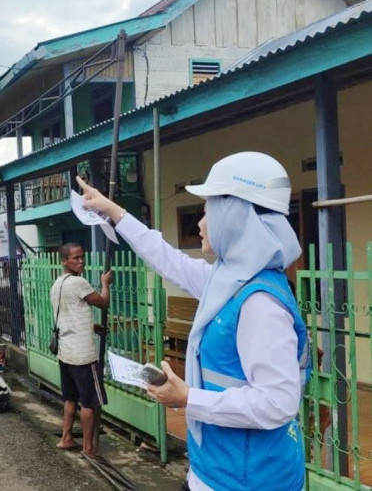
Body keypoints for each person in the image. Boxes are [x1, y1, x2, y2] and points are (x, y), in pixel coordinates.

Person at [77, 152, 311, 491]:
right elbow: (167, 258)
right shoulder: (230, 280)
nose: (200, 223)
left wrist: (187, 397)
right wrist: (112, 211)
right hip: (215, 467)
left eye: (207, 210)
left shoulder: (260, 302)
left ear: (234, 216)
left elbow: (277, 403)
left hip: (249, 480)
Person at [51, 243, 112, 456]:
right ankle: (88, 447)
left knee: (70, 398)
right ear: (65, 261)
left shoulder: (58, 283)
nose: (80, 261)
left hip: (65, 352)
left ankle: (66, 437)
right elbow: (103, 303)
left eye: (82, 257)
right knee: (89, 402)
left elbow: (70, 314)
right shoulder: (78, 282)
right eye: (75, 258)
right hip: (83, 355)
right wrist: (106, 284)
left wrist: (91, 325)